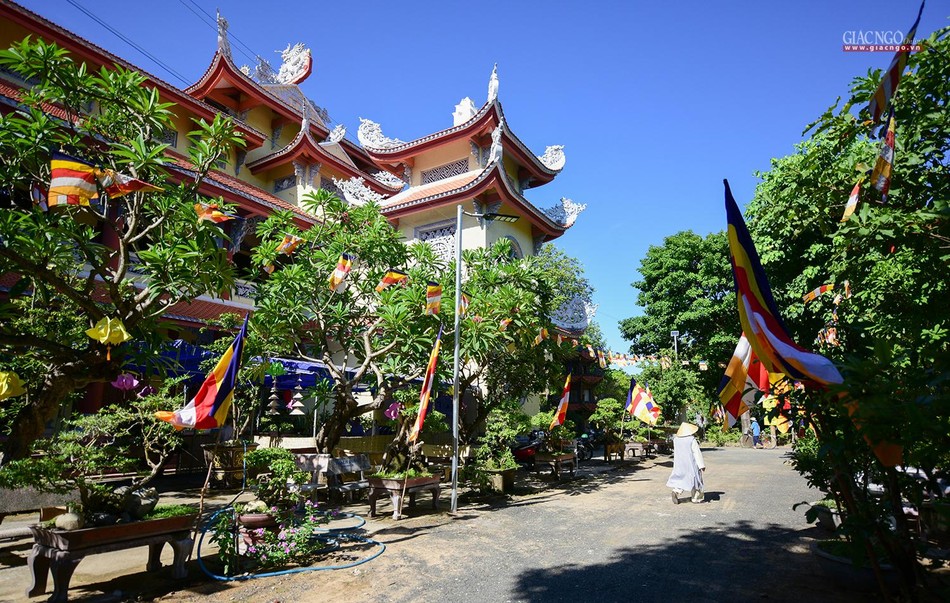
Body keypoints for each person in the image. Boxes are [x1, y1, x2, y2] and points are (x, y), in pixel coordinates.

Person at [666, 422, 706, 504]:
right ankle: (696, 498)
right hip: (691, 463)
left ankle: (676, 491)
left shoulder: (676, 439)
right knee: (696, 480)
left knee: (681, 479)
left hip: (680, 463)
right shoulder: (691, 439)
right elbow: (696, 453)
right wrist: (701, 465)